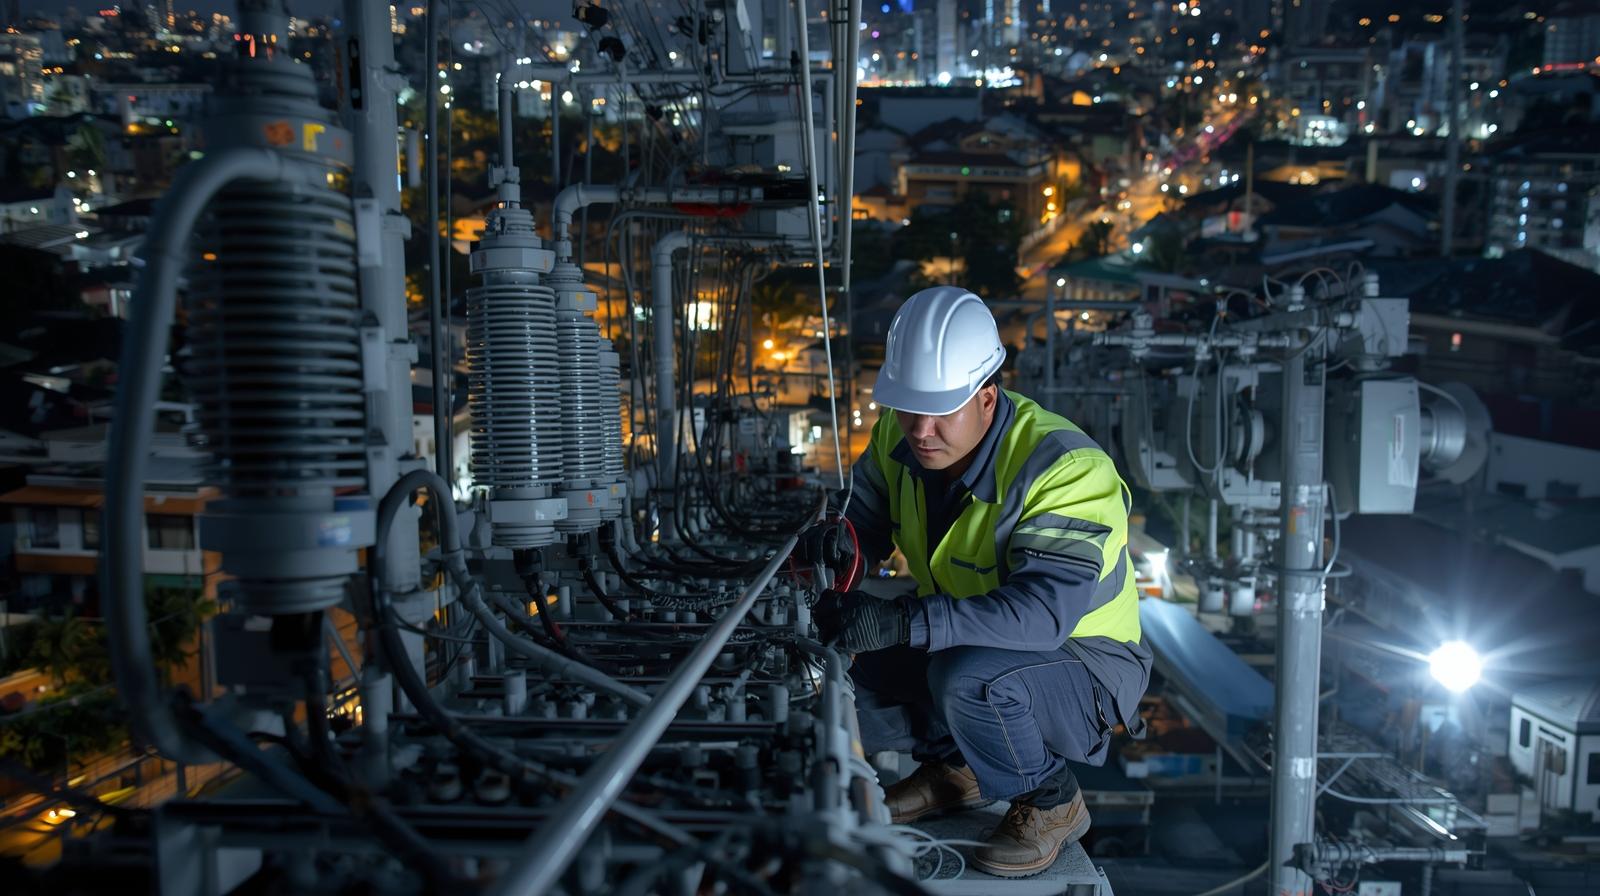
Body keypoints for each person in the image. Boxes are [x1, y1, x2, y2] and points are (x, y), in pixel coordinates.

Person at [797, 286, 1151, 878]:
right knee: (841, 661)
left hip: (1086, 663)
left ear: (987, 398)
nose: (921, 429)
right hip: (976, 636)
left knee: (967, 679)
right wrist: (834, 552)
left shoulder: (1066, 470)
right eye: (909, 408)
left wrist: (903, 622)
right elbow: (861, 523)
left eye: (941, 411)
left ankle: (1052, 800)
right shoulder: (897, 437)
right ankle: (956, 769)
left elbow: (1042, 615)